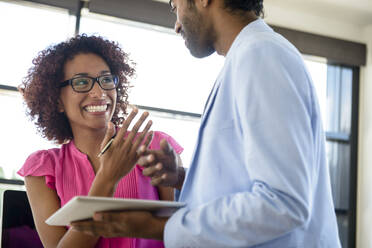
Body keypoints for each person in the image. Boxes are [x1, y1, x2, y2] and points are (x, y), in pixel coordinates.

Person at [71, 0, 342, 247]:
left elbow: (283, 203)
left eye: (174, 5)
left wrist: (156, 227)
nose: (177, 24)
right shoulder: (247, 57)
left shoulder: (261, 54)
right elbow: (254, 183)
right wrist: (183, 178)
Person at [17, 35, 183, 248]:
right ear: (57, 101)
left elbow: (182, 233)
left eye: (106, 79)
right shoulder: (42, 169)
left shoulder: (153, 145)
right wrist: (107, 179)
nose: (99, 92)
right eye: (82, 82)